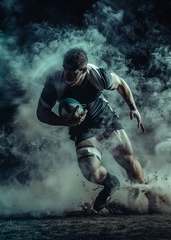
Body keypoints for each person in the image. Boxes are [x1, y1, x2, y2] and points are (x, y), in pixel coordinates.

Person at [36, 48, 146, 212]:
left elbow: (121, 83)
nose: (67, 76)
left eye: (72, 73)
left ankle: (149, 196)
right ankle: (110, 182)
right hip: (81, 127)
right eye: (65, 70)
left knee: (129, 160)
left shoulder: (98, 75)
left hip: (104, 119)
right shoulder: (54, 82)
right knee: (91, 172)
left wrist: (133, 108)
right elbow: (41, 113)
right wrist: (66, 121)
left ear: (84, 70)